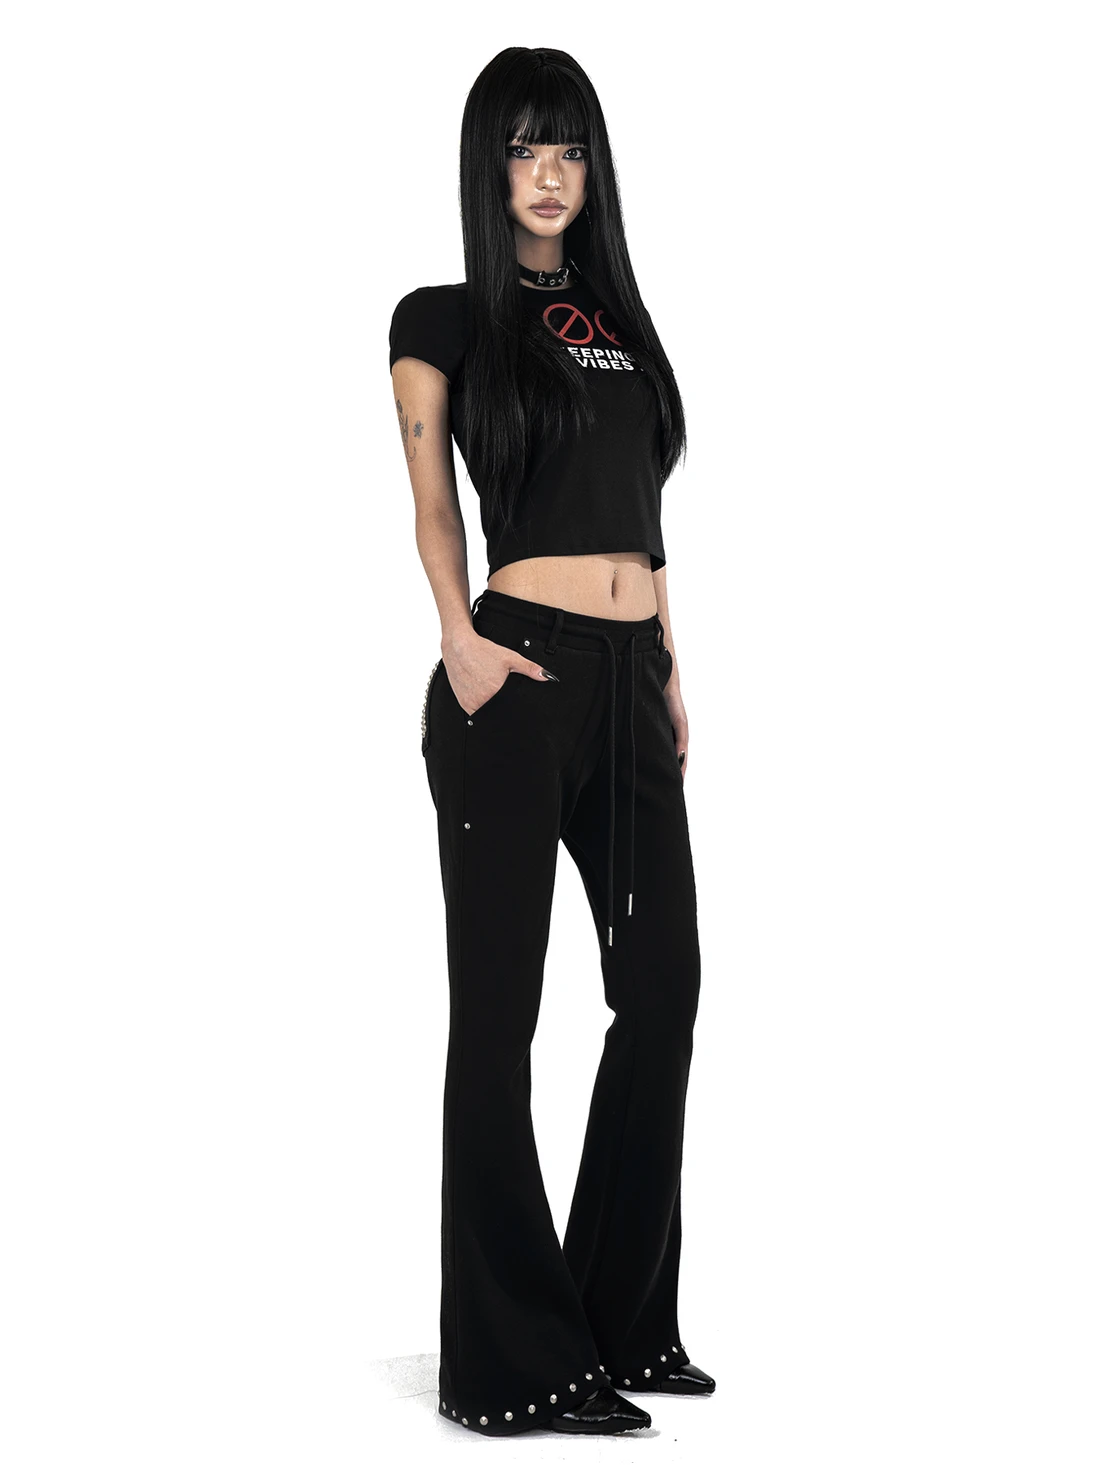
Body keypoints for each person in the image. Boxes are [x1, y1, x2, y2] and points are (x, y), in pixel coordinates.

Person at [389, 46, 712, 1438]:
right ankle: (509, 1362)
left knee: (664, 985)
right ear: (490, 164)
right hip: (514, 681)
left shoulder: (619, 318)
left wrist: (671, 667)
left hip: (633, 681)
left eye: (569, 147)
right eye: (524, 146)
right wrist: (458, 636)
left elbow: (642, 511)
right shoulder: (446, 318)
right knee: (499, 1013)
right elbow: (430, 500)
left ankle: (621, 1318)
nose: (549, 173)